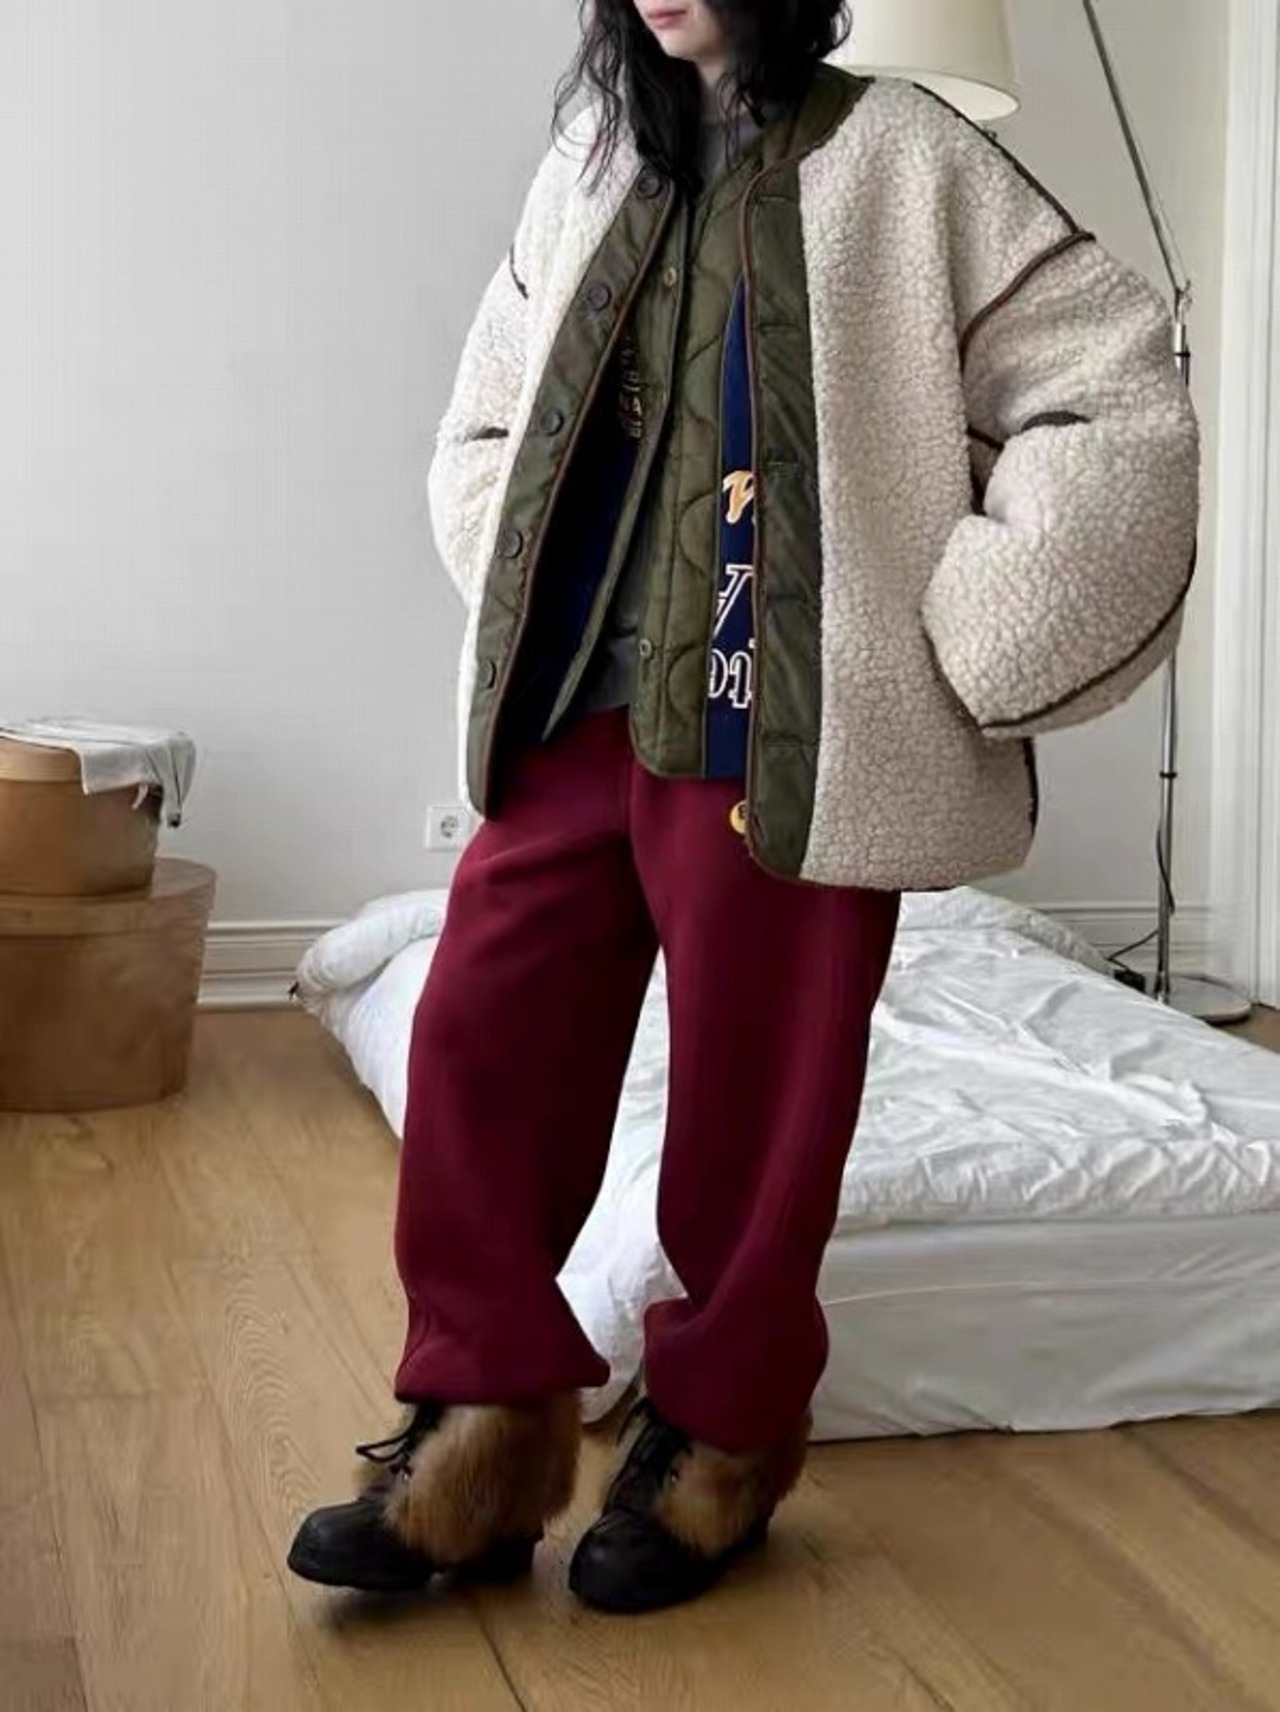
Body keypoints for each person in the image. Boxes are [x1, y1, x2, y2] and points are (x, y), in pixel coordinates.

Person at [288, 0, 1199, 1615]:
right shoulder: (594, 156)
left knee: (758, 1097)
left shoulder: (908, 154)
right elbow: (495, 396)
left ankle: (721, 1442)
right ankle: (480, 1423)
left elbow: (1108, 389)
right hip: (582, 697)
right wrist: (507, 547)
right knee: (481, 1034)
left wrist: (973, 622)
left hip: (790, 723)